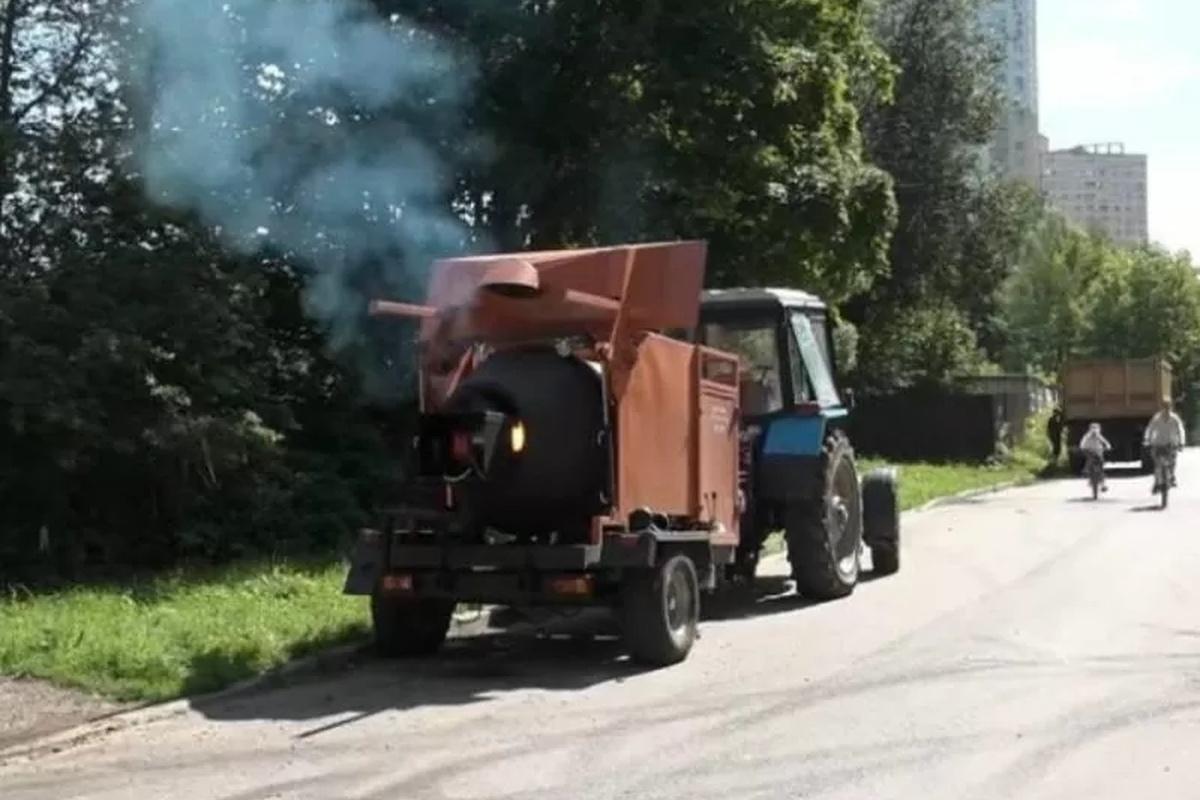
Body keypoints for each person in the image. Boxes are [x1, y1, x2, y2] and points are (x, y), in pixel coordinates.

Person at [1144, 399, 1186, 492]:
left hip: (1171, 444)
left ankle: (1172, 477)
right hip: (1158, 443)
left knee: (1173, 461)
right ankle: (1156, 482)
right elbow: (1150, 429)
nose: (1166, 409)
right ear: (1161, 407)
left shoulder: (1175, 418)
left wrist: (1181, 442)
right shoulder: (1157, 418)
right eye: (1164, 407)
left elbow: (1181, 430)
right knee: (1157, 464)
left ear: (1171, 407)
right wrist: (1147, 439)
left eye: (1168, 407)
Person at [1079, 422, 1112, 492]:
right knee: (1090, 459)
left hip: (1098, 452)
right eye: (1093, 429)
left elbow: (1105, 441)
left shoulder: (1098, 436)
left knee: (1101, 467)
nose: (1094, 431)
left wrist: (1108, 446)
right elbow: (1082, 442)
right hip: (1089, 452)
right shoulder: (1087, 436)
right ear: (1090, 430)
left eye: (1096, 429)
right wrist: (1082, 447)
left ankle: (1103, 485)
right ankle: (1086, 470)